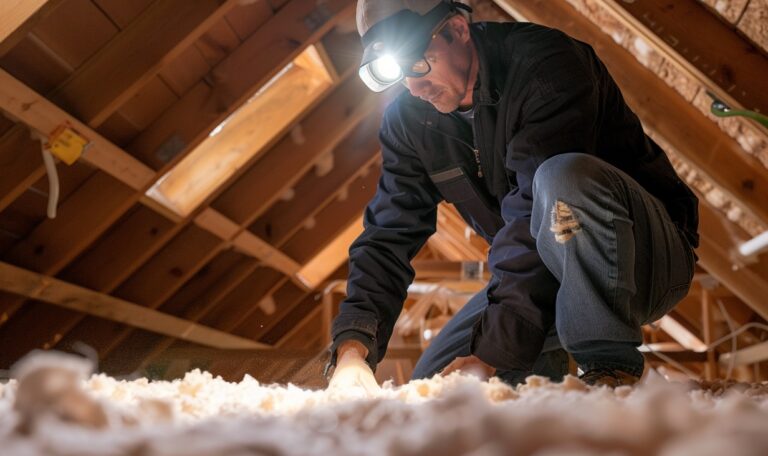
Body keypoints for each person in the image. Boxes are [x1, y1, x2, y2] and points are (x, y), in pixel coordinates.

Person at [326, 0, 698, 389]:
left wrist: (491, 355)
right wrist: (353, 349)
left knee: (562, 177)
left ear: (457, 29)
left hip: (643, 258)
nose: (415, 88)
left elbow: (531, 213)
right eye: (400, 75)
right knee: (437, 386)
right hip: (543, 269)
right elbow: (388, 233)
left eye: (419, 64)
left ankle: (609, 366)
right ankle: (544, 389)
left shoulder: (546, 65)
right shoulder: (409, 121)